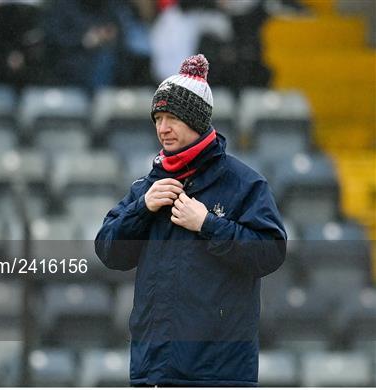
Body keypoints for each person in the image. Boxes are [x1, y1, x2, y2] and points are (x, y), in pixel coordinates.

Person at [95, 54, 287, 386]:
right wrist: (142, 208)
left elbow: (270, 252)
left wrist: (208, 225)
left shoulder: (245, 184)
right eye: (157, 118)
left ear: (196, 120)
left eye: (172, 117)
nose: (162, 128)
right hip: (153, 369)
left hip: (220, 372)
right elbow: (108, 251)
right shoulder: (147, 187)